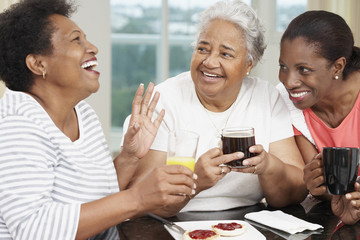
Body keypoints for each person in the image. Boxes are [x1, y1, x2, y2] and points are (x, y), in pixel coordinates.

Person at [0, 0, 197, 239]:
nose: (93, 47)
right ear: (38, 64)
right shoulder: (15, 127)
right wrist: (138, 198)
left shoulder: (82, 113)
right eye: (76, 40)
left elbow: (95, 200)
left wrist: (129, 157)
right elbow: (35, 228)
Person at [121, 0, 307, 217]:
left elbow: (297, 190)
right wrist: (195, 181)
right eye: (202, 49)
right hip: (171, 223)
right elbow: (139, 199)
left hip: (246, 223)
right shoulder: (165, 100)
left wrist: (268, 167)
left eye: (225, 54)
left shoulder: (266, 98)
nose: (209, 62)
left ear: (249, 64)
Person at [277, 10, 360, 224]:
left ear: (338, 66)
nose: (289, 82)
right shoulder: (288, 102)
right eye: (283, 67)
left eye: (303, 69)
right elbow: (323, 187)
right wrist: (319, 188)